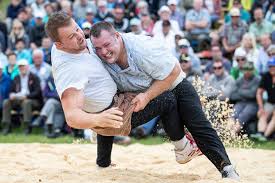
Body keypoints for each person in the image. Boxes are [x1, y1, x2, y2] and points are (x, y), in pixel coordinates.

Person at [45, 11, 201, 170]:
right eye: (71, 37)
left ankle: (103, 163)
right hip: (112, 113)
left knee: (115, 98)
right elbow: (71, 116)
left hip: (113, 101)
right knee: (167, 99)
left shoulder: (62, 45)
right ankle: (183, 149)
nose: (79, 36)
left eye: (77, 29)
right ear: (59, 44)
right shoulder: (69, 71)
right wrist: (97, 120)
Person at [90, 21, 240, 180]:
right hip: (138, 93)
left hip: (173, 82)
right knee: (109, 109)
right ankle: (103, 166)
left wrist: (147, 96)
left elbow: (174, 71)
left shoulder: (142, 48)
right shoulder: (93, 52)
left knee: (198, 124)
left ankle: (227, 169)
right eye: (98, 48)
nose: (104, 51)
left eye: (107, 45)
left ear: (117, 37)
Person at [1, 59, 43, 135]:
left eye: (23, 66)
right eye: (20, 67)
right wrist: (11, 95)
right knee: (6, 102)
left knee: (26, 102)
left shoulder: (34, 77)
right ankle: (6, 126)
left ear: (27, 67)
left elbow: (37, 92)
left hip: (32, 100)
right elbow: (12, 90)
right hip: (18, 99)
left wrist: (27, 96)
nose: (22, 68)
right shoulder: (16, 77)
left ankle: (27, 127)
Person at [230, 62, 261, 133]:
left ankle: (232, 134)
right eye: (245, 69)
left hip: (253, 103)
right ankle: (227, 133)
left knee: (243, 115)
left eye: (249, 69)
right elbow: (233, 95)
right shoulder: (239, 80)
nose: (247, 71)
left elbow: (252, 94)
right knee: (233, 114)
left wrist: (240, 91)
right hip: (240, 102)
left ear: (253, 70)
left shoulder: (257, 79)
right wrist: (247, 92)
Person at [252, 57, 275, 141]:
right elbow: (259, 92)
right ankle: (260, 133)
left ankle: (265, 135)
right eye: (270, 66)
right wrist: (261, 107)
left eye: (273, 66)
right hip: (270, 102)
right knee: (262, 113)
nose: (272, 68)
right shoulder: (266, 76)